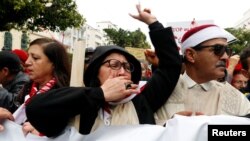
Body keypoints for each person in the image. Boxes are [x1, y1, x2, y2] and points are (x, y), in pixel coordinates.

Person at [25, 4, 182, 137]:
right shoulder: (80, 101)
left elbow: (171, 65)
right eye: (113, 65)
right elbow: (35, 109)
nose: (122, 72)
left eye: (127, 67)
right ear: (96, 71)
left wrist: (153, 24)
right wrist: (100, 94)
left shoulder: (143, 99)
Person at [149, 23, 250, 124]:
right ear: (191, 55)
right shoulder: (160, 91)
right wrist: (171, 128)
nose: (225, 57)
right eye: (218, 49)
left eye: (227, 50)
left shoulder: (236, 97)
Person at [13, 37, 71, 135]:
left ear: (54, 63)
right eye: (28, 56)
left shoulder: (64, 95)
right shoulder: (27, 87)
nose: (27, 62)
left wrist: (43, 132)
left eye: (35, 58)